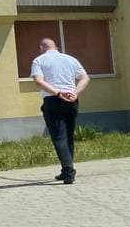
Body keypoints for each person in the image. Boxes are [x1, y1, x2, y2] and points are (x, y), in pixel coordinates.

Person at [30, 37, 89, 184]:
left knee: (59, 137)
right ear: (56, 47)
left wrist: (57, 92)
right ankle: (66, 170)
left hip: (53, 100)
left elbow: (38, 81)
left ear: (41, 48)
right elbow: (85, 78)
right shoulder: (70, 59)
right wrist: (75, 93)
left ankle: (68, 172)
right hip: (71, 99)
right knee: (68, 137)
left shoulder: (39, 60)